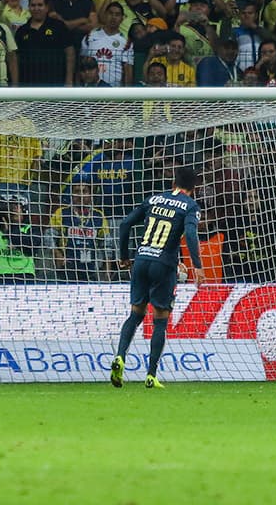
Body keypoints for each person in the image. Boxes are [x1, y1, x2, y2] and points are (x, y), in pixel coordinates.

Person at [110, 166, 204, 389]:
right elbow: (190, 234)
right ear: (194, 188)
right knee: (160, 319)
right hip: (163, 265)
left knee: (135, 314)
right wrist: (197, 266)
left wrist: (124, 257)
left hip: (141, 260)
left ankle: (120, 356)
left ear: (173, 184)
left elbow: (124, 224)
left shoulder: (153, 199)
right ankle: (151, 375)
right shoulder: (190, 206)